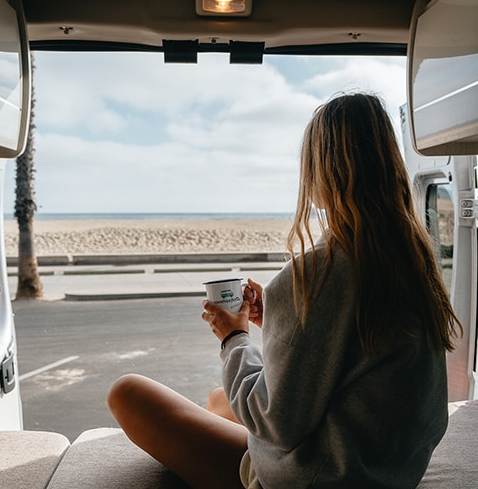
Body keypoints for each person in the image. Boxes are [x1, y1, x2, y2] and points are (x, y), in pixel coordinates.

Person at [107, 93, 462, 488]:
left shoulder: (321, 270)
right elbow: (346, 352)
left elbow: (276, 422)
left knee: (127, 393)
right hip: (388, 469)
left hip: (326, 477)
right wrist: (275, 317)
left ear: (322, 169)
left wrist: (234, 337)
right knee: (217, 400)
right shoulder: (410, 259)